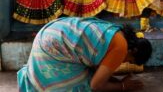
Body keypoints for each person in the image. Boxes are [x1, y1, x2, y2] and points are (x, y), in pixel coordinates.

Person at [17, 17, 153, 91]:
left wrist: (114, 81)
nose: (124, 63)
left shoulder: (116, 31)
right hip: (52, 48)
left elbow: (97, 70)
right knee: (85, 85)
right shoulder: (121, 48)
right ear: (133, 51)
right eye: (130, 61)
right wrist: (122, 87)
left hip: (48, 33)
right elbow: (96, 85)